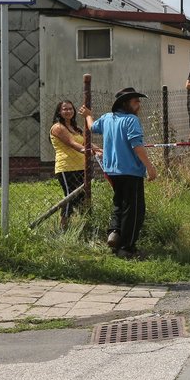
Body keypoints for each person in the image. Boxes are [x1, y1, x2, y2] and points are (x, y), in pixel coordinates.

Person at [80, 87, 158, 259]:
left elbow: (92, 127)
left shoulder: (108, 118)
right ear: (125, 104)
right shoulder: (131, 120)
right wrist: (150, 167)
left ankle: (114, 231)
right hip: (131, 171)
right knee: (135, 210)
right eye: (135, 101)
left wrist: (87, 115)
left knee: (119, 203)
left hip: (112, 170)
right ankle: (127, 248)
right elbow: (137, 146)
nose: (139, 104)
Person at [49, 100, 101, 229]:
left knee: (83, 198)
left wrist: (100, 150)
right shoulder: (58, 127)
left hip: (81, 167)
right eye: (65, 109)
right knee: (70, 198)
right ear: (59, 112)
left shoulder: (76, 128)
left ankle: (86, 227)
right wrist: (88, 151)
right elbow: (73, 143)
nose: (68, 111)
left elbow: (86, 143)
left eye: (70, 109)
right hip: (66, 168)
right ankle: (64, 228)